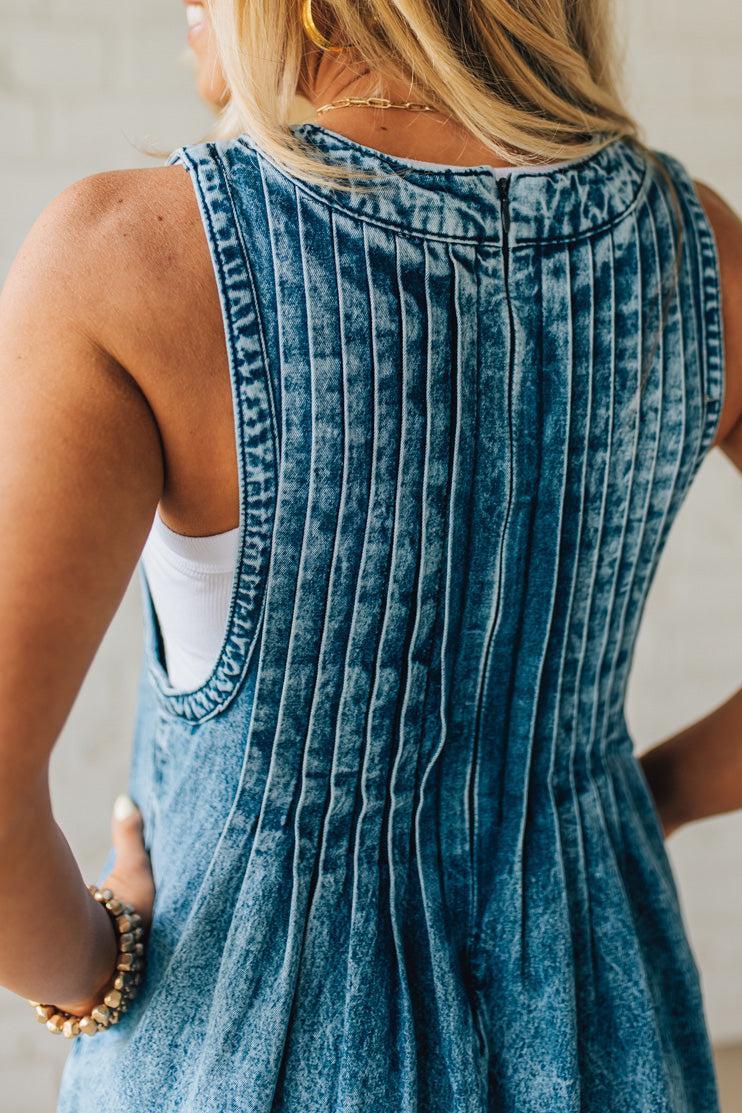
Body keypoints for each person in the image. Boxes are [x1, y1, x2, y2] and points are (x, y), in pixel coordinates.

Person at [0, 0, 740, 1109]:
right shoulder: (701, 248)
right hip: (604, 1023)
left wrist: (91, 974)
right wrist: (633, 802)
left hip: (235, 1036)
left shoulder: (129, 261)